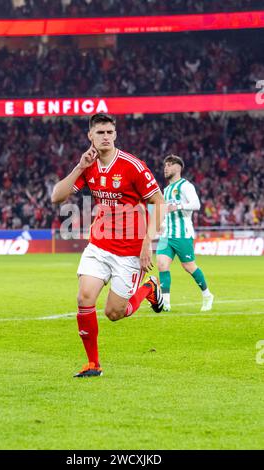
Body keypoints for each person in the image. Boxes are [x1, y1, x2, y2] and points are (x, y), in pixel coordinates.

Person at [51, 113, 165, 377]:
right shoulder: (88, 165)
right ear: (90, 136)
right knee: (84, 297)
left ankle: (149, 288)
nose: (105, 137)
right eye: (100, 132)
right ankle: (93, 364)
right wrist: (79, 166)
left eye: (109, 133)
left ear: (115, 135)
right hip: (99, 245)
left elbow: (159, 202)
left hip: (129, 250)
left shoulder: (132, 166)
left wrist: (148, 241)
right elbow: (57, 196)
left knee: (115, 313)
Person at [156, 154, 214, 312]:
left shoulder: (185, 186)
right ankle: (166, 303)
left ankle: (207, 295)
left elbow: (196, 204)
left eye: (169, 165)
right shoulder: (166, 189)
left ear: (178, 167)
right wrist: (161, 224)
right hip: (167, 234)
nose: (165, 168)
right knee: (162, 264)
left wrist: (179, 206)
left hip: (182, 233)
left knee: (189, 266)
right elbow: (166, 210)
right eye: (165, 165)